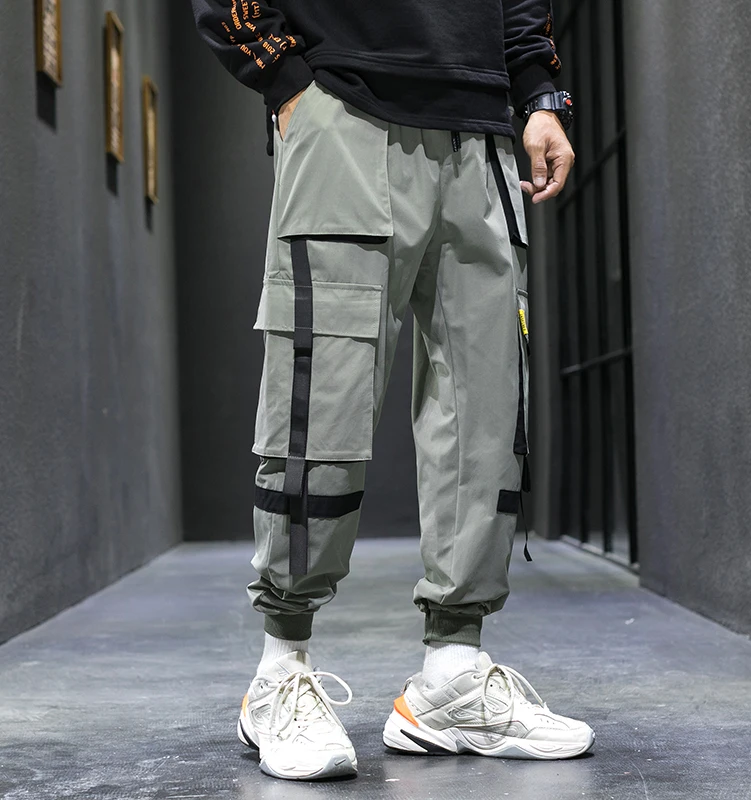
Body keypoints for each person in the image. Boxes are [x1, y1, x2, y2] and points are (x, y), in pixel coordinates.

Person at [192, 0, 590, 781]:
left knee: (486, 414)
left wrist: (538, 92)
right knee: (323, 400)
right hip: (344, 106)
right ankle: (279, 669)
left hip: (481, 129)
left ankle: (452, 676)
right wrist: (281, 73)